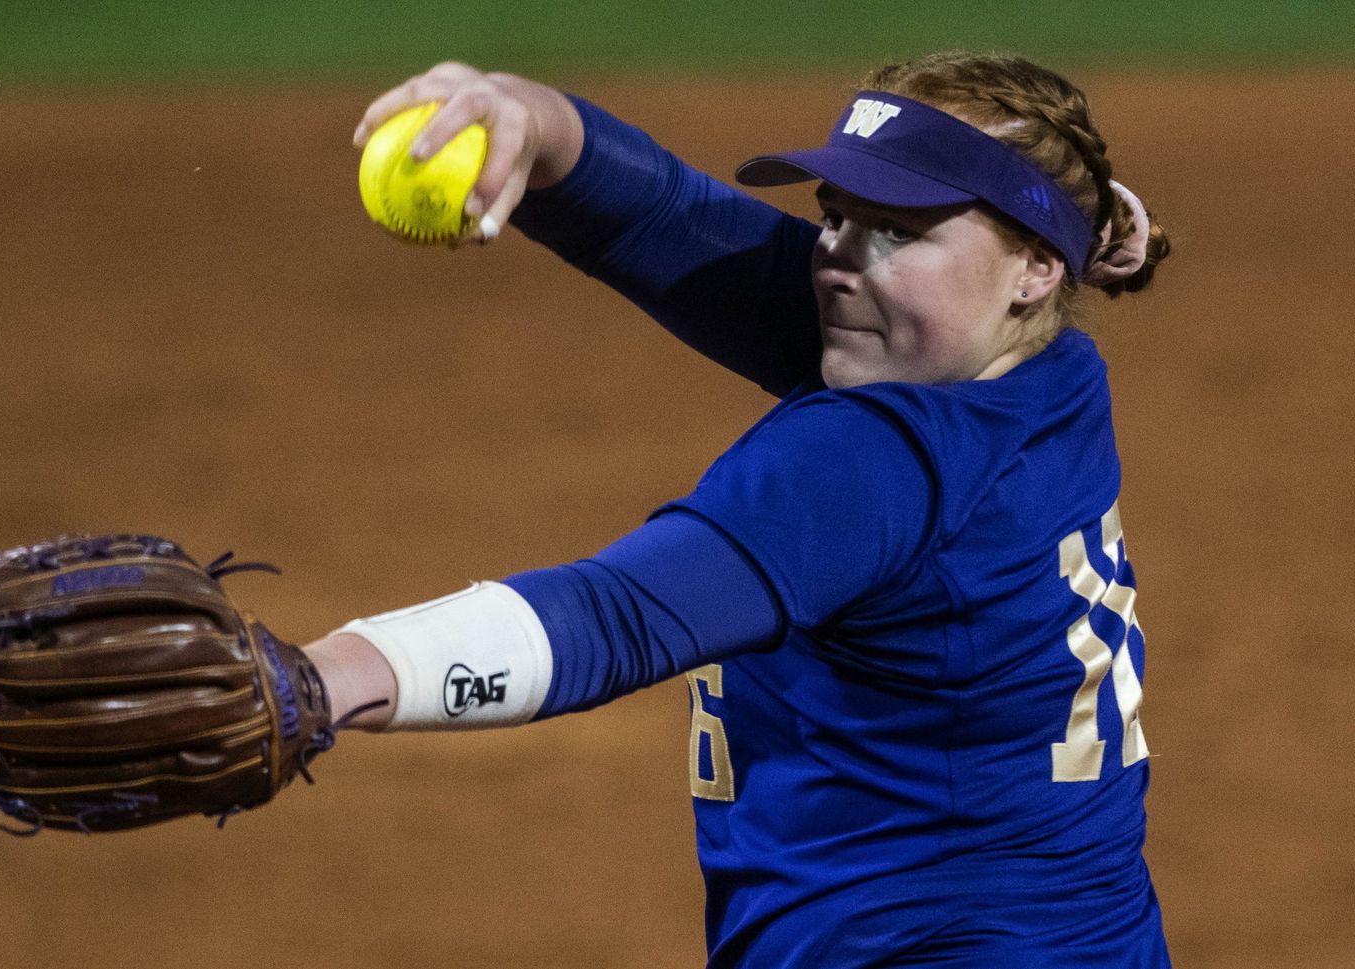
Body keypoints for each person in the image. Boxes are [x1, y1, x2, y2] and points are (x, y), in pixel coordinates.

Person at [311, 52, 1174, 967]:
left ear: (1035, 267)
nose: (837, 261)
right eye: (835, 215)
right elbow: (665, 218)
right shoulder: (1038, 369)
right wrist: (529, 116)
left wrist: (319, 681)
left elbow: (616, 616)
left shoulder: (878, 460)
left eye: (895, 229)